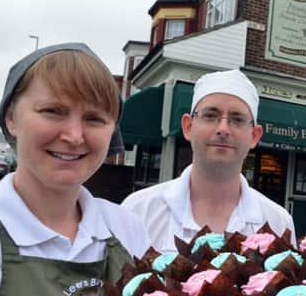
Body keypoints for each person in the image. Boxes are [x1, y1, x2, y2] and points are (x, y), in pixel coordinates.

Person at [0, 43, 180, 296]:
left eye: (94, 118)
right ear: (11, 118)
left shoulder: (126, 227)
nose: (75, 136)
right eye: (53, 111)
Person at [122, 69, 296, 250]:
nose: (223, 129)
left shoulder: (278, 224)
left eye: (237, 119)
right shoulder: (138, 212)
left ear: (254, 135)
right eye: (210, 116)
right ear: (188, 126)